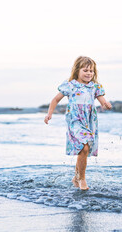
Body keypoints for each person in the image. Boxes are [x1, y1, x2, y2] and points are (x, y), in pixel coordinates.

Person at [44, 56, 112, 190]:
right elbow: (55, 100)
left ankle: (76, 177)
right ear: (77, 71)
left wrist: (106, 104)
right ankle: (82, 179)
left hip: (89, 120)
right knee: (84, 147)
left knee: (84, 150)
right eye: (85, 70)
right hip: (75, 119)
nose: (89, 73)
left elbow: (102, 100)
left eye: (91, 71)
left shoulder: (95, 86)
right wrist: (49, 113)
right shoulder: (70, 85)